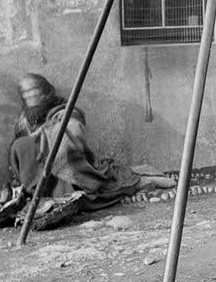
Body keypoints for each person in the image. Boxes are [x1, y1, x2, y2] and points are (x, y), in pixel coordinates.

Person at [8, 74, 138, 211]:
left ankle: (63, 197)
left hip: (63, 172)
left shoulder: (62, 110)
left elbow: (73, 130)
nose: (29, 95)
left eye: (33, 90)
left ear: (44, 91)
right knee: (20, 145)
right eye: (25, 92)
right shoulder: (23, 122)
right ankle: (37, 197)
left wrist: (46, 134)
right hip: (38, 177)